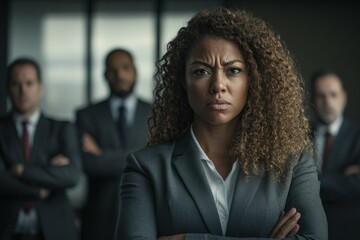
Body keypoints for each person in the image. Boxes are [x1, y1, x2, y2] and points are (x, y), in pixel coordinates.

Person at [116, 7, 327, 240]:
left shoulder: (292, 161)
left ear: (253, 80)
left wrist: (188, 239)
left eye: (233, 70)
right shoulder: (146, 167)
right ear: (183, 82)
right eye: (201, 71)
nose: (218, 85)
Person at [0, 58, 80, 240]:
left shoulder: (62, 128)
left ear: (40, 88)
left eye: (29, 83)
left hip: (55, 230)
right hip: (6, 228)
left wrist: (22, 170)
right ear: (7, 88)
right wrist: (40, 187)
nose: (23, 90)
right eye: (16, 84)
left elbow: (72, 175)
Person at [75, 48, 151, 240]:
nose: (120, 75)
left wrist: (103, 154)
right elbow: (88, 163)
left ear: (135, 71)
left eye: (125, 68)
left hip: (147, 216)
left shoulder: (156, 113)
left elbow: (160, 162)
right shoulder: (86, 115)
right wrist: (142, 154)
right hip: (98, 221)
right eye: (113, 70)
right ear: (105, 75)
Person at [310, 69, 360, 240]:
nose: (328, 102)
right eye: (321, 95)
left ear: (344, 97)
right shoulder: (300, 136)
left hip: (349, 230)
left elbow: (357, 184)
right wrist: (340, 179)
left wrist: (311, 179)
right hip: (309, 229)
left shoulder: (358, 134)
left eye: (333, 94)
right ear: (313, 100)